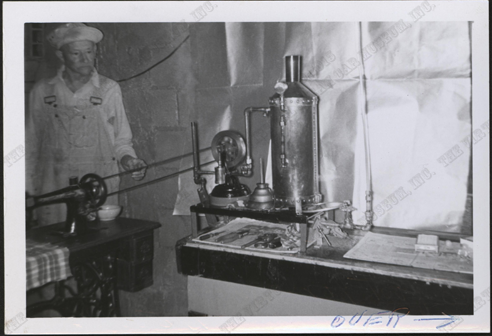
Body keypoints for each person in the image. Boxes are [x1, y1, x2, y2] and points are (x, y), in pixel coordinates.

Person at [26, 23, 147, 226]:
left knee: (97, 245)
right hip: (53, 187)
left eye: (89, 52)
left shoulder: (109, 89)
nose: (85, 59)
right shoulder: (43, 92)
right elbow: (31, 145)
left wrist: (130, 162)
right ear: (61, 55)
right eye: (76, 53)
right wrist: (28, 189)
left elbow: (121, 140)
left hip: (98, 186)